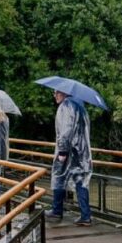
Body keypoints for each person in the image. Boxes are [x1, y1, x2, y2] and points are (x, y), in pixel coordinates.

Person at [45, 89, 93, 226]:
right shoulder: (80, 106)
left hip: (69, 151)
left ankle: (57, 210)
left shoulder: (66, 106)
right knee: (81, 181)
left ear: (64, 92)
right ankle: (85, 215)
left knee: (59, 177)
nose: (54, 95)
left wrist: (62, 151)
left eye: (57, 92)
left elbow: (65, 131)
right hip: (82, 152)